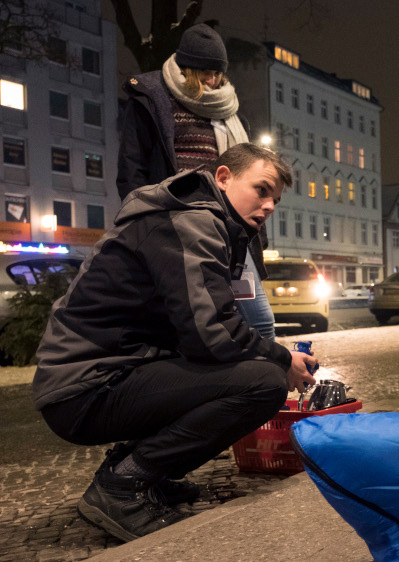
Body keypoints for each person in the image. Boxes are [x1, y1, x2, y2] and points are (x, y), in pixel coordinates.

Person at [33, 143, 317, 542]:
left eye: (276, 198)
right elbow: (211, 334)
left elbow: (204, 328)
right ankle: (122, 485)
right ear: (223, 177)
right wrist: (281, 357)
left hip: (114, 372)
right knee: (264, 382)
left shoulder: (209, 221)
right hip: (84, 388)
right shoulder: (191, 222)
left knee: (250, 371)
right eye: (261, 189)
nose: (269, 205)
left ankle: (145, 472)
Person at [117, 23, 276, 339]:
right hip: (175, 229)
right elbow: (132, 172)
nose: (213, 79)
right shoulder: (152, 101)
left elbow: (247, 180)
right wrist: (145, 229)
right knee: (191, 325)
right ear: (186, 66)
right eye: (205, 70)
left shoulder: (230, 114)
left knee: (259, 322)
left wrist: (257, 231)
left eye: (218, 72)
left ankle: (267, 385)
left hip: (228, 232)